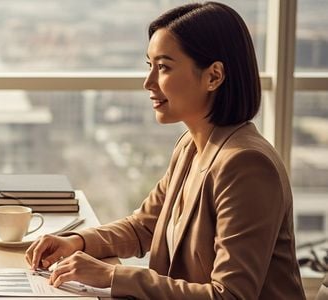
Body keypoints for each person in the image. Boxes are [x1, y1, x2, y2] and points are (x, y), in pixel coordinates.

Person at [25, 2, 305, 299]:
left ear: (213, 76)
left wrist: (112, 275)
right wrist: (77, 241)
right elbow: (143, 227)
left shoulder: (246, 164)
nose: (148, 82)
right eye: (150, 66)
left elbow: (230, 295)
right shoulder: (191, 145)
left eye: (164, 68)